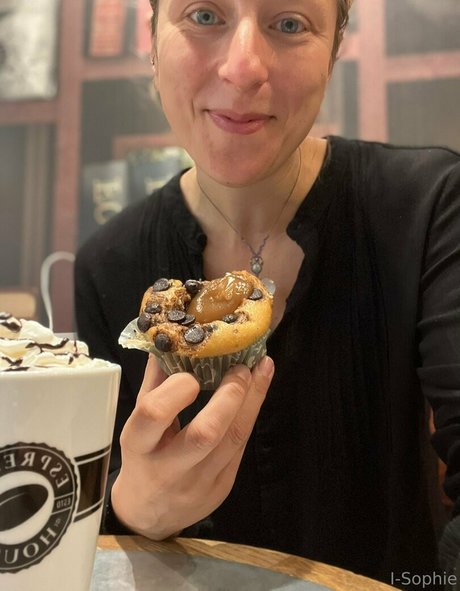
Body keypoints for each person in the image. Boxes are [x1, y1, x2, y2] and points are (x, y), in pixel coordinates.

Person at [74, 0, 460, 588]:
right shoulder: (108, 263)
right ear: (151, 42)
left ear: (333, 52)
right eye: (205, 15)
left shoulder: (429, 207)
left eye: (290, 23)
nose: (242, 67)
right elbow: (84, 514)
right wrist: (132, 512)